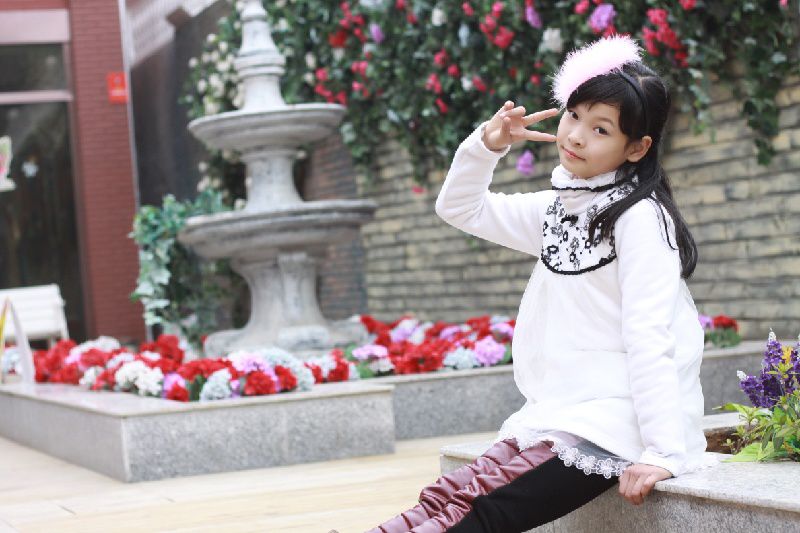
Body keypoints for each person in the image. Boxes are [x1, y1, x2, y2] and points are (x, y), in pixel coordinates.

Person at [364, 35, 719, 533]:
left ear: (637, 148)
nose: (576, 136)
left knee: (483, 513)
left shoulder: (639, 218)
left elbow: (649, 335)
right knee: (448, 497)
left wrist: (663, 451)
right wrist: (487, 146)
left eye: (600, 129)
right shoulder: (558, 208)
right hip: (558, 414)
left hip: (617, 424)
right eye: (574, 116)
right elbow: (460, 208)